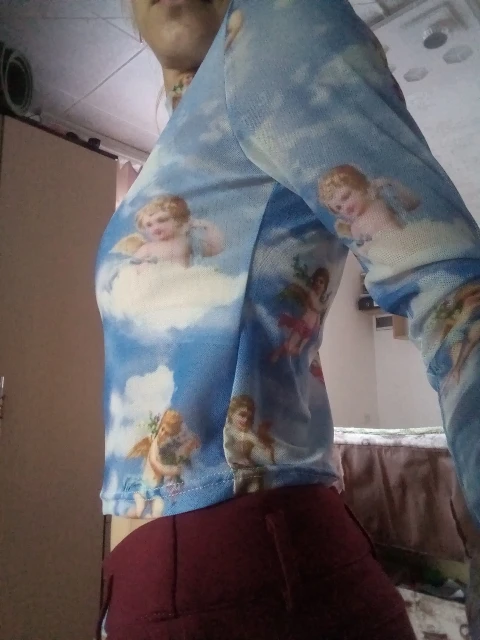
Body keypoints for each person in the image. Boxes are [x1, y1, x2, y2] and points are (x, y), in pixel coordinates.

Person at [95, 1, 480, 638]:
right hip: (151, 581)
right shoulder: (180, 148)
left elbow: (450, 284)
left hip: (253, 579)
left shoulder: (278, 24)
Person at [112, 194, 224, 267]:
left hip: (183, 282)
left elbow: (216, 249)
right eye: (149, 225)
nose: (155, 228)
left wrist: (208, 226)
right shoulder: (149, 248)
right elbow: (132, 265)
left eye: (162, 220)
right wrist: (143, 267)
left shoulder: (187, 241)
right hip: (158, 284)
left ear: (178, 220)